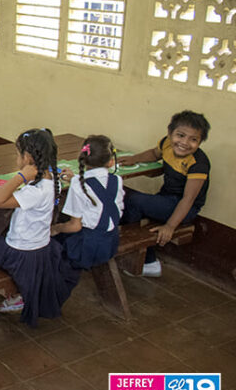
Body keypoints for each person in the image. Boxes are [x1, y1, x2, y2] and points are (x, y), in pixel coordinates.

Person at [0, 128, 78, 327]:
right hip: (41, 246)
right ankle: (15, 293)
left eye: (18, 154)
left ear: (28, 158)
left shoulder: (36, 191)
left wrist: (20, 177)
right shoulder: (52, 180)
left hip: (19, 251)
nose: (16, 158)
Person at [119, 111, 211, 277]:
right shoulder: (167, 144)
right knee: (132, 207)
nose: (184, 143)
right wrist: (135, 159)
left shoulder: (198, 164)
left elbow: (188, 199)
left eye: (193, 139)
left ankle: (143, 259)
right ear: (170, 134)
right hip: (165, 198)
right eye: (180, 135)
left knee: (133, 201)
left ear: (200, 142)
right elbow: (154, 154)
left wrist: (170, 226)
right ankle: (146, 260)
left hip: (185, 208)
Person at [52, 135, 124, 269]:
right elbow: (99, 187)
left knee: (52, 236)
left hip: (86, 249)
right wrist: (75, 179)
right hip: (110, 244)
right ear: (111, 162)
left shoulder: (78, 184)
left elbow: (75, 226)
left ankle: (61, 276)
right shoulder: (117, 180)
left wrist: (55, 228)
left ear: (82, 159)